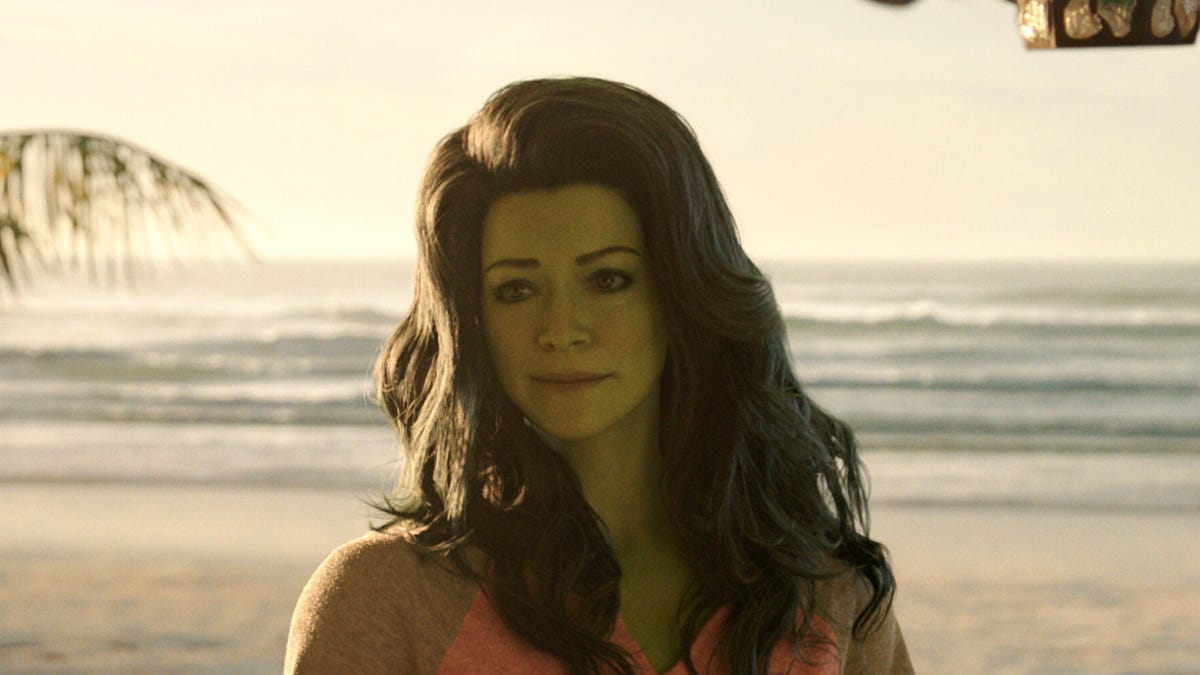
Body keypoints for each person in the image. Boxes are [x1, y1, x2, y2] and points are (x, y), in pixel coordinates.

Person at [285, 76, 912, 675]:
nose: (560, 329)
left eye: (608, 279)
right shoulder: (387, 599)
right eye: (516, 289)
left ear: (681, 293)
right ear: (472, 322)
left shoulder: (827, 598)